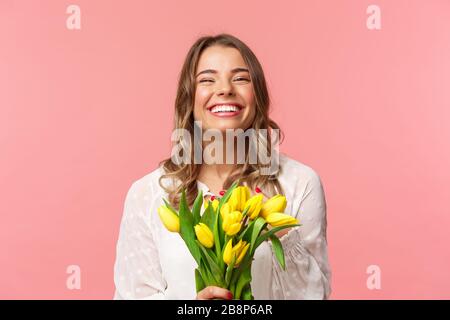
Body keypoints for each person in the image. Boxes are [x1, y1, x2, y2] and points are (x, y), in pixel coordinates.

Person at [113, 34, 331, 300]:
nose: (225, 89)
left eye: (240, 78)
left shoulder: (299, 183)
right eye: (207, 79)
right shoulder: (148, 193)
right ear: (189, 99)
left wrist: (279, 230)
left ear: (257, 95)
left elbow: (315, 296)